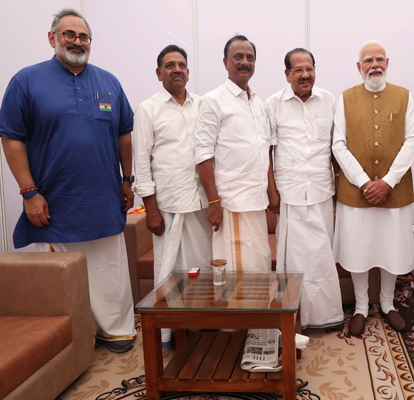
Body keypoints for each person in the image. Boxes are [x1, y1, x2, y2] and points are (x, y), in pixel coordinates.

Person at [0, 8, 136, 353]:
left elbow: (124, 134)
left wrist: (127, 179)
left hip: (104, 199)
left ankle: (115, 329)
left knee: (109, 269)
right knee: (66, 276)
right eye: (69, 34)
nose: (77, 41)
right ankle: (79, 337)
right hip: (54, 202)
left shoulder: (109, 82)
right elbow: (11, 139)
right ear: (52, 38)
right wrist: (29, 193)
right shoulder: (26, 81)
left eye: (83, 36)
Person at [333, 40, 414, 337]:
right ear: (359, 67)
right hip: (355, 192)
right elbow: (338, 145)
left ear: (387, 63)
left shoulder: (404, 96)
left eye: (379, 59)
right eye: (368, 60)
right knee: (357, 248)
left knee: (391, 248)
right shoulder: (345, 98)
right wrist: (364, 182)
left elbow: (412, 140)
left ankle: (387, 303)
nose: (374, 65)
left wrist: (387, 181)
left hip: (394, 191)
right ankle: (360, 307)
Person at [132, 45, 213, 345]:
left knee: (201, 266)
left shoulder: (203, 105)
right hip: (168, 207)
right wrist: (150, 209)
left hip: (200, 204)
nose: (176, 69)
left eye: (181, 65)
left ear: (188, 72)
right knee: (169, 272)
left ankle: (201, 324)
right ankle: (169, 330)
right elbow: (142, 162)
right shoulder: (147, 109)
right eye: (169, 65)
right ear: (159, 73)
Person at [266, 48, 344, 329]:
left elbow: (336, 148)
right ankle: (294, 318)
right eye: (298, 70)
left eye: (309, 68)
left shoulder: (328, 100)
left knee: (322, 257)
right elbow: (267, 152)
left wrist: (341, 185)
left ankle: (327, 316)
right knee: (294, 261)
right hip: (290, 193)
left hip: (322, 190)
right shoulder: (274, 104)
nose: (305, 74)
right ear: (287, 74)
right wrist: (271, 191)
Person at [195, 35, 275, 272]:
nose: (245, 62)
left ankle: (258, 299)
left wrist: (271, 192)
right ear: (225, 62)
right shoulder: (213, 101)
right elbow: (202, 156)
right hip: (230, 204)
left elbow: (264, 151)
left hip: (257, 203)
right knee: (236, 272)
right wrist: (213, 202)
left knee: (259, 265)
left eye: (250, 58)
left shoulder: (259, 103)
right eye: (238, 57)